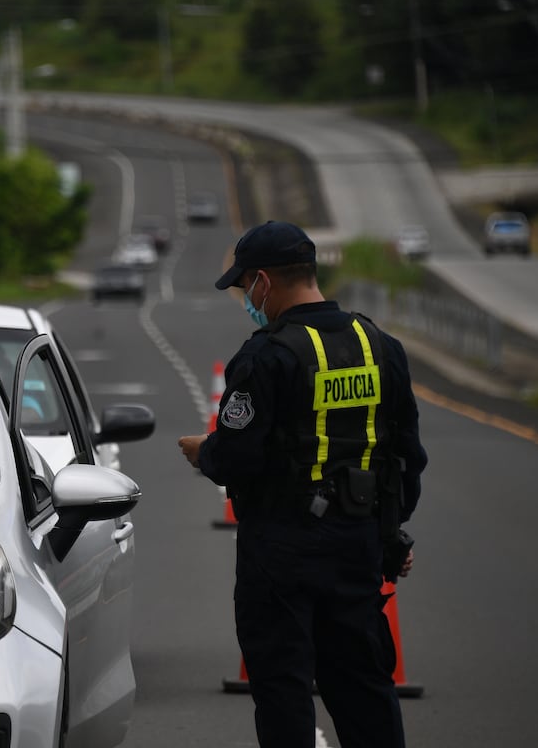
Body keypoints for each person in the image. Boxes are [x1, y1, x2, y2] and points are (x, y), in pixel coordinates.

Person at [177, 221, 426, 748]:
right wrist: (389, 534)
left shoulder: (268, 355)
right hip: (358, 546)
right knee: (363, 688)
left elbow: (236, 458)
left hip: (281, 553)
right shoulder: (379, 345)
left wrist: (205, 452)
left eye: (246, 288)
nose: (248, 300)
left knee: (283, 690)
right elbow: (406, 456)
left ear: (264, 281)